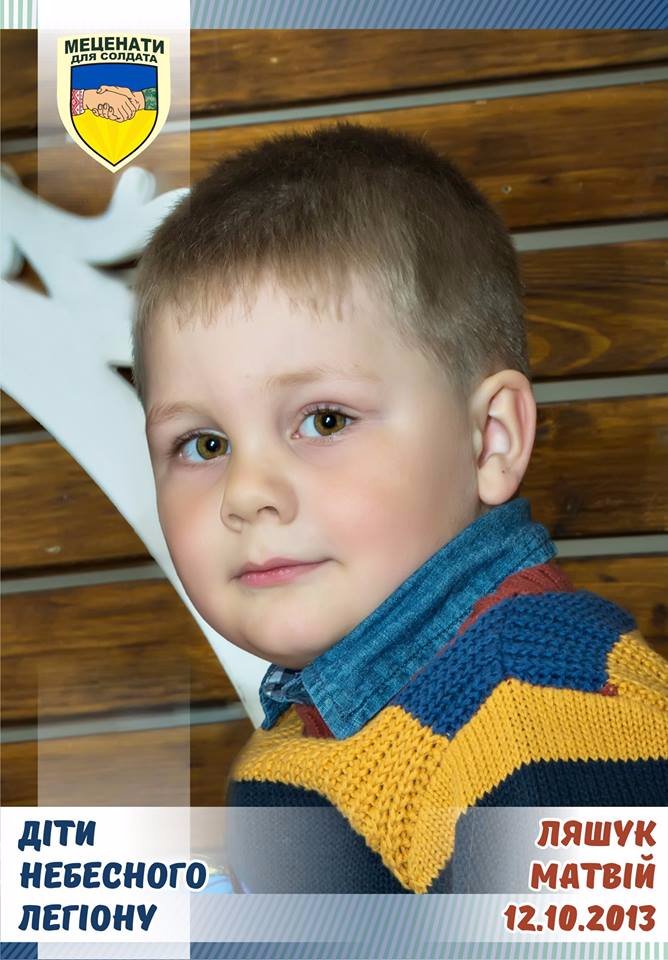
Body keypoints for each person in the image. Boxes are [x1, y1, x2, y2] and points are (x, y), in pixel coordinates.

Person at [132, 122, 668, 893]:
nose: (246, 493)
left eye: (325, 421)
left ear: (490, 440)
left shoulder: (548, 723)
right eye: (204, 444)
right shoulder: (328, 717)